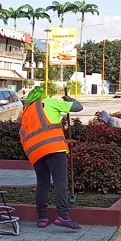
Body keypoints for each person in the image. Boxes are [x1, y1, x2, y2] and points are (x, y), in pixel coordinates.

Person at [19, 86, 83, 230]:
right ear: (43, 95)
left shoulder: (26, 111)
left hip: (35, 152)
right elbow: (78, 107)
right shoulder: (50, 102)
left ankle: (42, 218)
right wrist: (70, 99)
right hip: (54, 149)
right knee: (60, 182)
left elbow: (30, 132)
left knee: (42, 183)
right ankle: (63, 216)